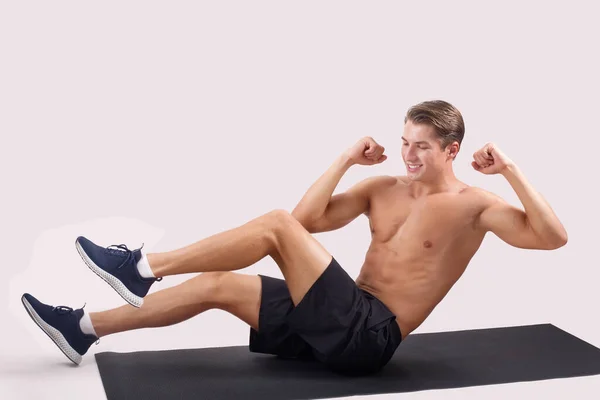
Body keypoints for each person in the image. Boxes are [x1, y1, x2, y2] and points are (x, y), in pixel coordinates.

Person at [21, 100, 568, 376]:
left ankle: (141, 267)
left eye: (422, 146)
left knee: (274, 224)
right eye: (405, 142)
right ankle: (84, 328)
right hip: (333, 320)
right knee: (219, 284)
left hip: (370, 337)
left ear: (451, 151)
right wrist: (346, 159)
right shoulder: (382, 187)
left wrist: (512, 170)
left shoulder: (477, 206)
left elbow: (552, 239)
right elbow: (310, 219)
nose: (408, 154)